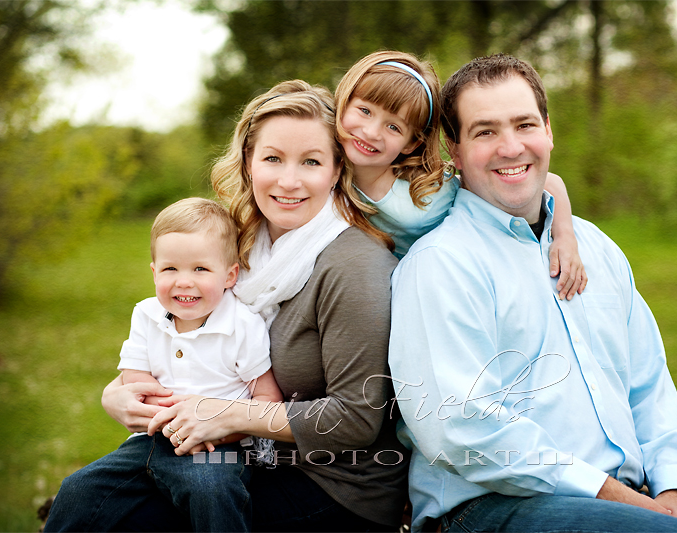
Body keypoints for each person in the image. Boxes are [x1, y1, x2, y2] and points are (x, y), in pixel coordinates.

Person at [388, 54, 677, 533]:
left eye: (524, 124)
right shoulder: (440, 264)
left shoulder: (596, 247)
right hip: (491, 507)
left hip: (633, 501)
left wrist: (672, 491)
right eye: (485, 131)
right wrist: (622, 500)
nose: (511, 147)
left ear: (549, 130)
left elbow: (650, 385)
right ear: (456, 146)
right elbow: (463, 429)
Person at [98, 80, 408, 532]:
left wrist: (225, 414)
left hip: (334, 484)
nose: (289, 180)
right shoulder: (238, 244)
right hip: (241, 458)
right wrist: (120, 393)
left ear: (337, 169)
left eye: (311, 162)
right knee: (86, 503)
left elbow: (356, 419)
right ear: (248, 163)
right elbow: (187, 334)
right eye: (273, 158)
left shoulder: (354, 266)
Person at [45, 197, 283, 532]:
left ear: (230, 275)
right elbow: (135, 377)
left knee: (213, 492)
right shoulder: (146, 314)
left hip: (218, 445)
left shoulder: (241, 325)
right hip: (151, 440)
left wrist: (218, 429)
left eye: (201, 269)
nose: (184, 281)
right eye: (171, 268)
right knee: (78, 490)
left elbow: (267, 401)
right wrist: (162, 418)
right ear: (155, 271)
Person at [335, 50, 586, 299]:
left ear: (410, 143)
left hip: (449, 280)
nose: (371, 132)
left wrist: (565, 235)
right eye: (365, 111)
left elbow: (551, 182)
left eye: (393, 126)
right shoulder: (327, 170)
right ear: (344, 102)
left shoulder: (425, 187)